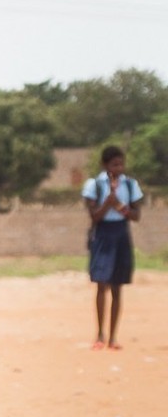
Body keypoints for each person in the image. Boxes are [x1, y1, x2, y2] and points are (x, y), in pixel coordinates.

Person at [83, 145, 145, 350]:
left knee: (117, 287)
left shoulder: (130, 184)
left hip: (121, 234)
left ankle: (113, 337)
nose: (118, 168)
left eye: (121, 164)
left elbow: (136, 216)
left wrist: (120, 206)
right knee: (101, 284)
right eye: (114, 164)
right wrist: (108, 203)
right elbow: (94, 216)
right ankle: (100, 334)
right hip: (103, 235)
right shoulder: (95, 185)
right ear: (105, 165)